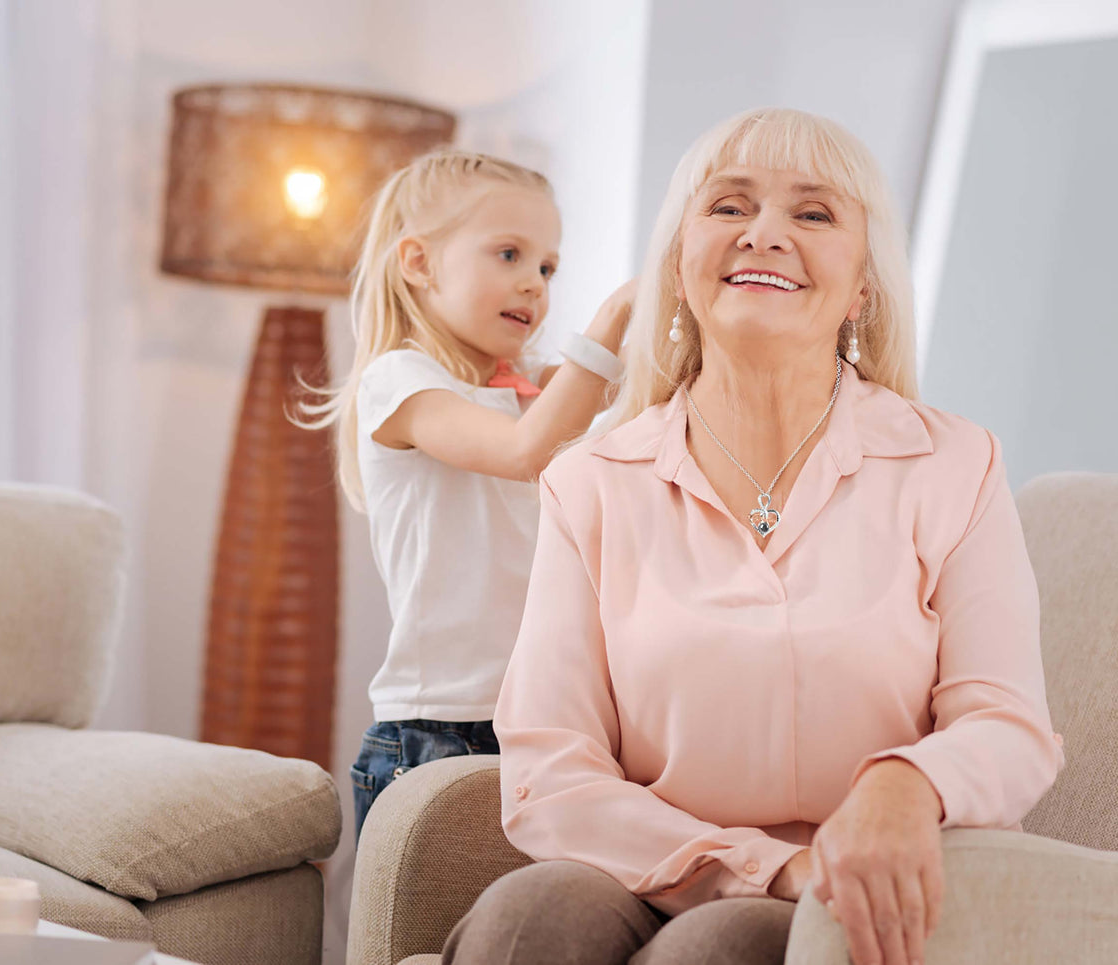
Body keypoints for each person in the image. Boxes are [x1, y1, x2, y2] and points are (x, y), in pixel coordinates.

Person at [442, 109, 1066, 965]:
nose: (764, 235)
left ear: (862, 288)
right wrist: (770, 866)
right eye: (729, 207)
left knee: (718, 943)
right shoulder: (591, 482)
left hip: (859, 896)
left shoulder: (953, 464)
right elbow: (551, 767)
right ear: (679, 262)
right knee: (528, 915)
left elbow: (1007, 725)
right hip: (649, 869)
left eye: (812, 215)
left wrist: (905, 782)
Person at [303, 150, 635, 841]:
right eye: (509, 254)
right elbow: (524, 452)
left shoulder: (535, 390)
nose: (534, 285)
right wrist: (612, 321)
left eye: (547, 267)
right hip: (438, 727)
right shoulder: (401, 381)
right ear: (418, 264)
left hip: (543, 717)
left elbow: (621, 404)